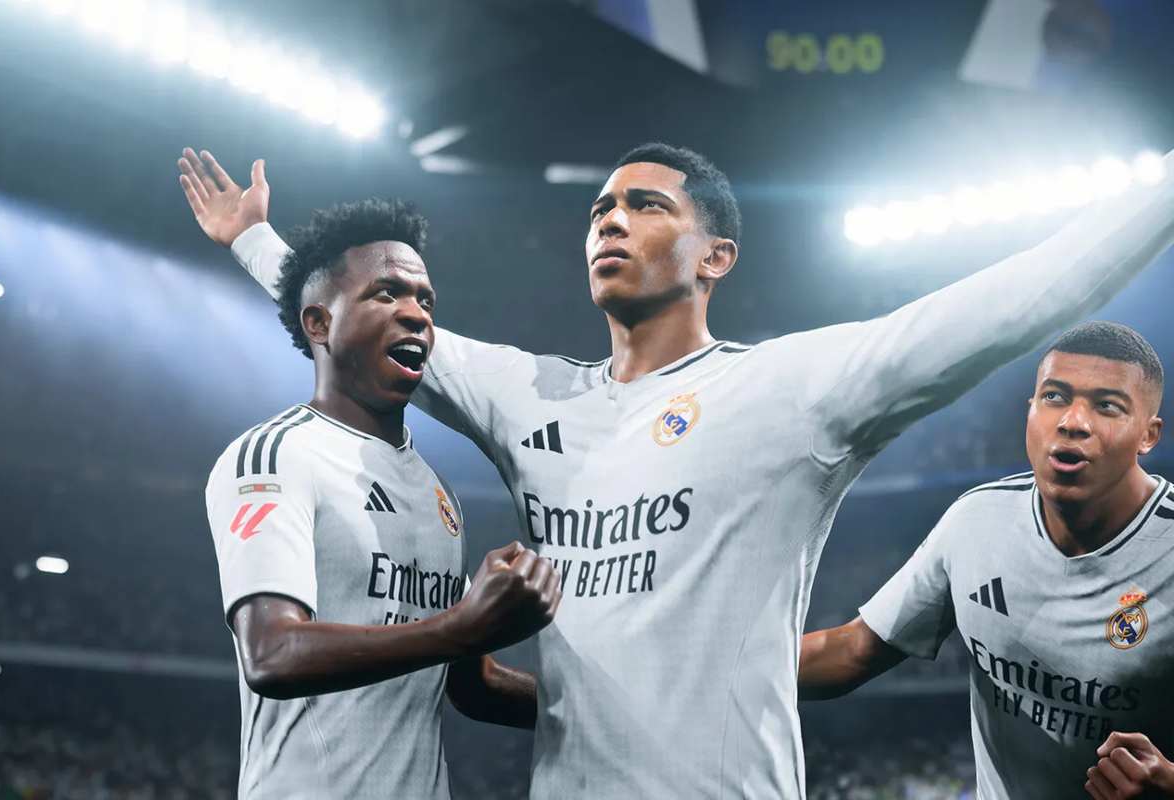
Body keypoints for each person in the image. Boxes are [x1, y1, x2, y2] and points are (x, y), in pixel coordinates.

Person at [179, 141, 1174, 798]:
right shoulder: (528, 395)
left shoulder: (796, 389)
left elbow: (1016, 300)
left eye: (645, 205)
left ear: (715, 256)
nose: (609, 220)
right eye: (600, 208)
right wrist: (253, 237)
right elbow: (355, 319)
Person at [200, 197, 561, 799]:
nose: (415, 314)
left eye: (425, 301)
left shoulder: (436, 492)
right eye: (387, 293)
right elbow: (273, 653)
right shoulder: (275, 456)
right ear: (319, 324)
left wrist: (602, 711)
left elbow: (470, 687)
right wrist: (462, 624)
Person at [798, 322, 1174, 799]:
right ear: (1030, 409)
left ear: (1148, 435)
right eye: (1055, 397)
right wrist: (719, 669)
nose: (1073, 421)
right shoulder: (976, 521)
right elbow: (854, 650)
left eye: (1107, 406)